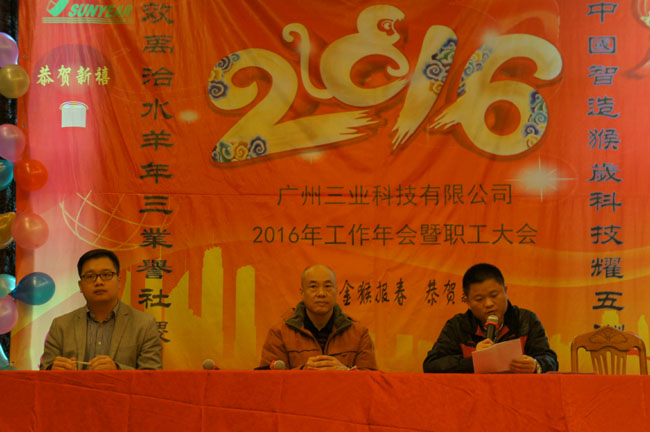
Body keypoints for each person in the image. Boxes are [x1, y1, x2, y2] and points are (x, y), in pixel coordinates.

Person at [39, 249, 162, 370]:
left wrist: (118, 370)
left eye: (106, 275)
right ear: (80, 286)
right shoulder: (60, 325)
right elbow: (43, 371)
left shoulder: (144, 325)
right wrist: (53, 370)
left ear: (119, 281)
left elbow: (152, 376)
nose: (98, 282)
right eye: (90, 276)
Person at [423, 263, 557, 373]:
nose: (488, 304)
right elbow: (431, 364)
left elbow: (551, 360)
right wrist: (474, 360)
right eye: (479, 299)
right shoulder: (458, 325)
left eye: (494, 295)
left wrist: (536, 365)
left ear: (505, 291)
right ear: (468, 302)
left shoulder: (526, 320)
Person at [259, 264, 377, 370]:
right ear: (302, 293)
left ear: (336, 292)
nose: (321, 293)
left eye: (327, 286)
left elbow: (370, 381)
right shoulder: (279, 333)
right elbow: (269, 381)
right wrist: (302, 372)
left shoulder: (358, 333)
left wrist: (345, 372)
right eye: (313, 287)